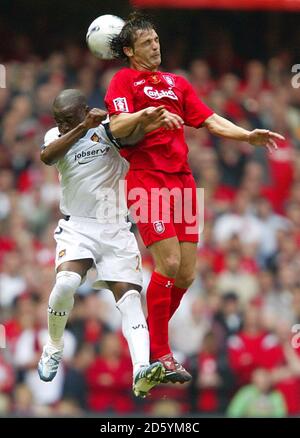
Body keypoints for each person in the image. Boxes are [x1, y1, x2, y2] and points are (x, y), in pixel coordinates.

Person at [105, 12, 285, 383]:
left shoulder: (177, 83)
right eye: (147, 43)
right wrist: (148, 114)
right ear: (129, 50)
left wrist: (246, 135)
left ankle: (147, 343)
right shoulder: (123, 80)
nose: (156, 46)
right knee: (167, 263)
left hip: (183, 182)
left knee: (187, 273)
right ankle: (159, 354)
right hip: (147, 180)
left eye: (157, 40)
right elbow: (117, 124)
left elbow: (209, 119)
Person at [37, 88, 181, 397]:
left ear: (85, 110)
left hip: (115, 229)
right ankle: (54, 345)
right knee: (65, 283)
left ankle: (142, 370)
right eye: (59, 120)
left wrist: (146, 114)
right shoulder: (55, 137)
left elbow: (134, 132)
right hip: (78, 227)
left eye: (68, 119)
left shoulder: (109, 131)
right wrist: (81, 126)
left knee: (129, 301)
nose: (61, 125)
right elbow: (47, 158)